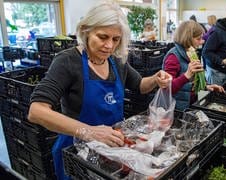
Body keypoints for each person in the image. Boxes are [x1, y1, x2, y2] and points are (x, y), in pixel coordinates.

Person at [27, 2, 171, 179]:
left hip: (112, 149)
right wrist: (89, 131)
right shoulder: (67, 61)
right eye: (103, 37)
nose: (109, 46)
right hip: (77, 154)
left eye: (115, 39)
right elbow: (36, 111)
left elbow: (140, 85)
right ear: (86, 31)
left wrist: (156, 79)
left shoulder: (116, 61)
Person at [162, 20, 225, 111]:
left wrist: (206, 86)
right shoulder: (173, 57)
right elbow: (167, 88)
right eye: (198, 39)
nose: (202, 42)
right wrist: (186, 76)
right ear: (187, 38)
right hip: (177, 109)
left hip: (191, 104)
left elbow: (191, 85)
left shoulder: (191, 53)